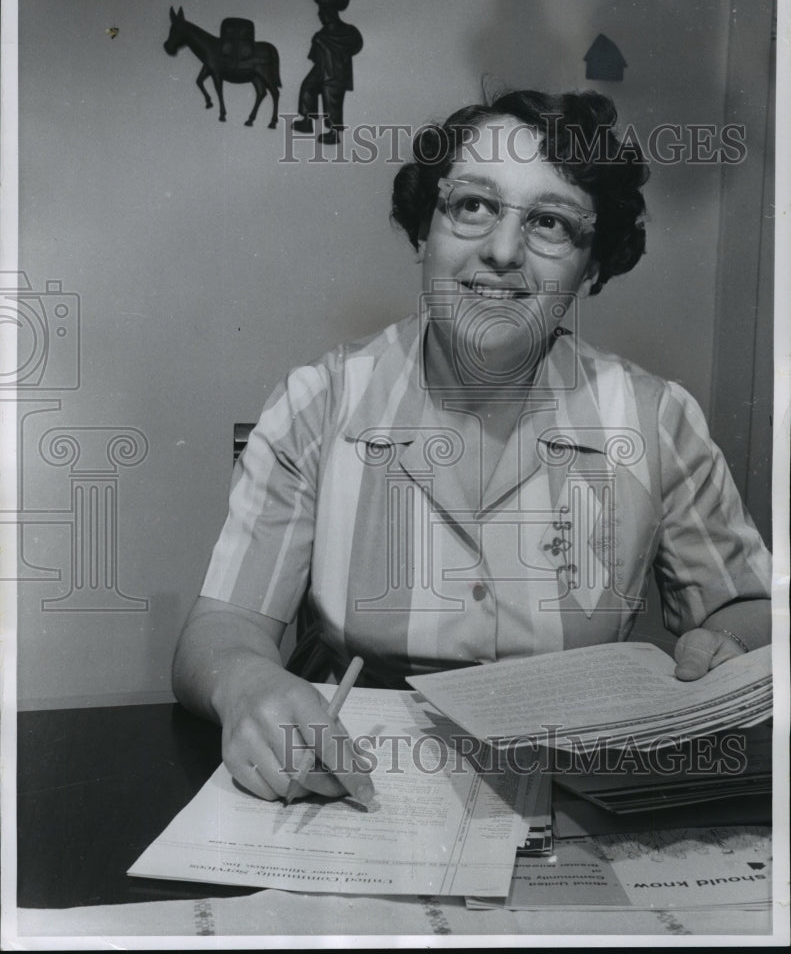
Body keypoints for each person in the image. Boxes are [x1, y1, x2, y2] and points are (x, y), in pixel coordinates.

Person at [172, 89, 771, 805]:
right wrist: (246, 682)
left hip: (575, 792)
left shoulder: (656, 418)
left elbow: (747, 607)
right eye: (473, 206)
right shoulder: (317, 401)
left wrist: (729, 645)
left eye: (549, 222)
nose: (502, 251)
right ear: (425, 229)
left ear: (591, 269)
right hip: (351, 786)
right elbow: (222, 627)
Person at [292, 0, 363, 144]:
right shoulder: (321, 35)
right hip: (321, 71)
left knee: (332, 99)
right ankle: (307, 121)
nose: (320, 14)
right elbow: (315, 57)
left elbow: (356, 45)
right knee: (307, 87)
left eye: (323, 11)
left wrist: (339, 54)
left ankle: (333, 132)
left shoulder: (349, 31)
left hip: (336, 74)